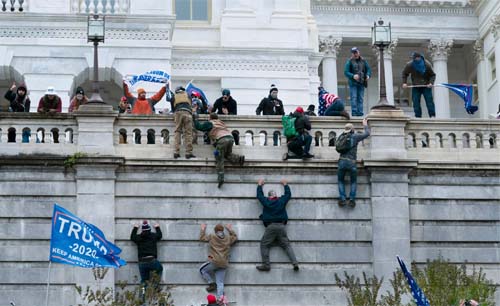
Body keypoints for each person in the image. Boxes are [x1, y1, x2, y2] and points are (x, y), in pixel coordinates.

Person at [255, 178, 299, 272]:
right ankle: (295, 263)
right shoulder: (281, 201)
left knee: (264, 244)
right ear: (276, 196)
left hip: (271, 227)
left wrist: (259, 185)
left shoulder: (267, 202)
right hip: (281, 226)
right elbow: (288, 195)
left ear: (269, 196)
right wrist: (285, 184)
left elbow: (259, 196)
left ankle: (266, 265)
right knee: (286, 245)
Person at [193, 111, 245, 187]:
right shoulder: (221, 123)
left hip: (222, 140)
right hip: (230, 139)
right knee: (227, 154)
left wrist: (195, 119)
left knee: (219, 157)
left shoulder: (210, 123)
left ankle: (221, 177)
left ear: (210, 118)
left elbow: (199, 127)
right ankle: (239, 159)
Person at [337, 118, 370, 208]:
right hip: (351, 162)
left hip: (342, 161)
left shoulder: (340, 137)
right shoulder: (355, 136)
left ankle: (343, 199)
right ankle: (351, 199)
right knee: (353, 181)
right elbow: (367, 134)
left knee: (340, 180)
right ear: (352, 129)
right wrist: (365, 124)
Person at [199, 223, 237, 301]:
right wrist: (230, 229)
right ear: (222, 230)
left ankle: (211, 283)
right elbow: (235, 237)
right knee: (220, 282)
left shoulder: (212, 236)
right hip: (224, 263)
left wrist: (203, 229)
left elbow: (202, 238)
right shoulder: (228, 238)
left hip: (214, 261)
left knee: (202, 270)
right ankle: (220, 299)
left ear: (215, 231)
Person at [402, 52, 437, 118]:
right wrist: (404, 83)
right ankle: (418, 116)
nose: (415, 60)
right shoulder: (410, 65)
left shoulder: (427, 64)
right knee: (415, 102)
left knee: (429, 101)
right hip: (416, 86)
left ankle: (432, 115)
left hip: (426, 86)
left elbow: (433, 75)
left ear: (420, 58)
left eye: (416, 58)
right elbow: (404, 73)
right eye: (414, 59)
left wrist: (431, 83)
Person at [130, 221, 163, 285]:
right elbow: (159, 235)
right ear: (149, 229)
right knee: (159, 269)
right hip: (152, 260)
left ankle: (143, 294)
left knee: (144, 280)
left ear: (142, 230)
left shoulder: (139, 237)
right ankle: (154, 287)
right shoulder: (153, 236)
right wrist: (157, 227)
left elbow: (132, 237)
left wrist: (135, 228)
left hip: (142, 261)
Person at [344, 47, 371, 117]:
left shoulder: (363, 61)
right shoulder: (349, 61)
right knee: (354, 97)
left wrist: (368, 75)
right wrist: (353, 76)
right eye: (353, 53)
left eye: (356, 52)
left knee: (360, 98)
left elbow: (368, 69)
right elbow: (346, 72)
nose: (355, 54)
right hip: (353, 83)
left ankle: (360, 113)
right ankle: (354, 112)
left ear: (359, 52)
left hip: (361, 82)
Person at [172, 86, 195, 159]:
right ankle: (188, 152)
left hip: (178, 112)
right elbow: (190, 104)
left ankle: (176, 152)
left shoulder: (174, 96)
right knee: (188, 133)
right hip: (187, 112)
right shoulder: (187, 95)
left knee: (177, 131)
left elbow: (173, 108)